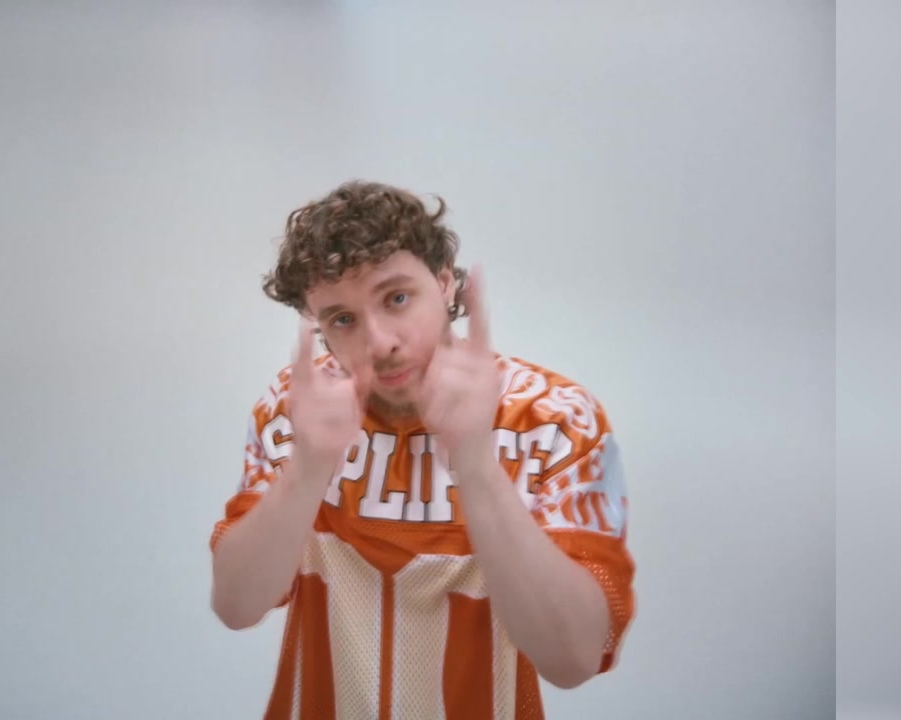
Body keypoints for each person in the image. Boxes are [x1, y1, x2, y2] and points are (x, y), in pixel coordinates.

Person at [209, 181, 636, 719]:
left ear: (445, 282)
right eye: (342, 319)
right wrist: (308, 468)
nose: (380, 342)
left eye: (397, 298)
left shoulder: (555, 419)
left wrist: (475, 464)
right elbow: (237, 606)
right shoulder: (298, 407)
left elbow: (572, 659)